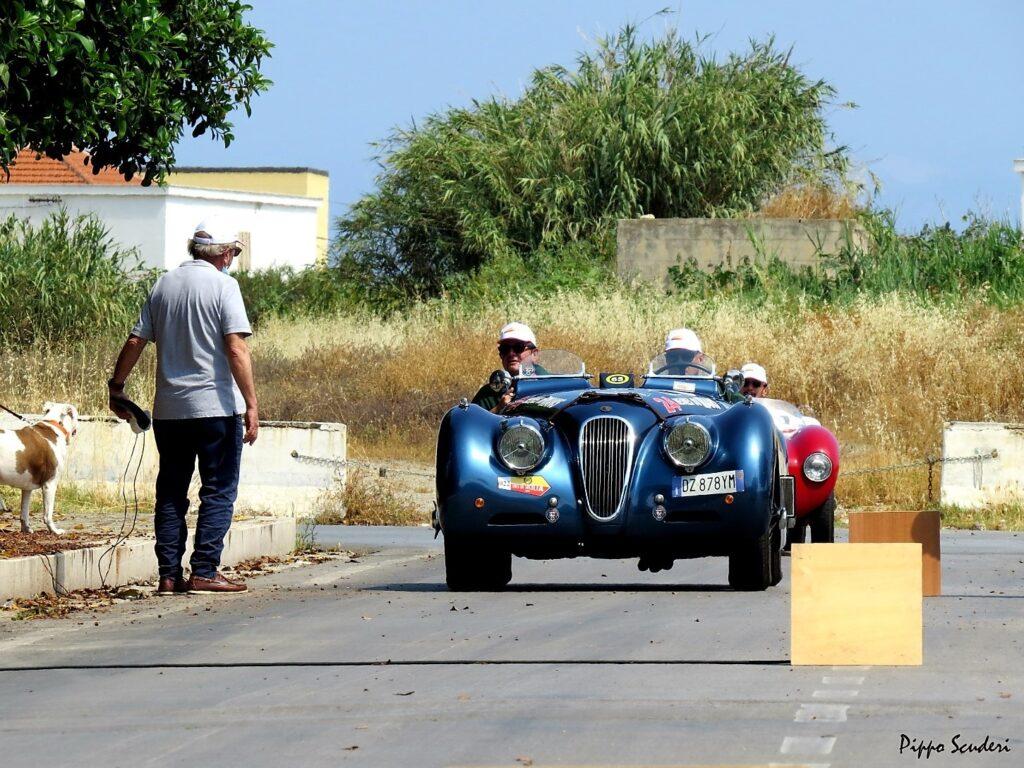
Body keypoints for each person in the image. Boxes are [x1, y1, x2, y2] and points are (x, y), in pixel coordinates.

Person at [108, 217, 259, 595]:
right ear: (224, 252)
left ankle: (169, 574)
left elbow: (134, 341)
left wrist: (117, 386)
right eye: (233, 254)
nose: (232, 260)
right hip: (216, 409)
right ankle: (205, 570)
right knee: (219, 490)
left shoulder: (164, 284)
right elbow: (236, 347)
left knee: (171, 490)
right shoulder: (225, 286)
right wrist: (252, 404)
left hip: (170, 412)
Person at [472, 322, 539, 413]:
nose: (511, 354)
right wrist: (499, 408)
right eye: (505, 349)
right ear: (501, 355)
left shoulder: (551, 386)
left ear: (534, 354)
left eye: (518, 347)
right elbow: (473, 424)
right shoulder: (488, 394)